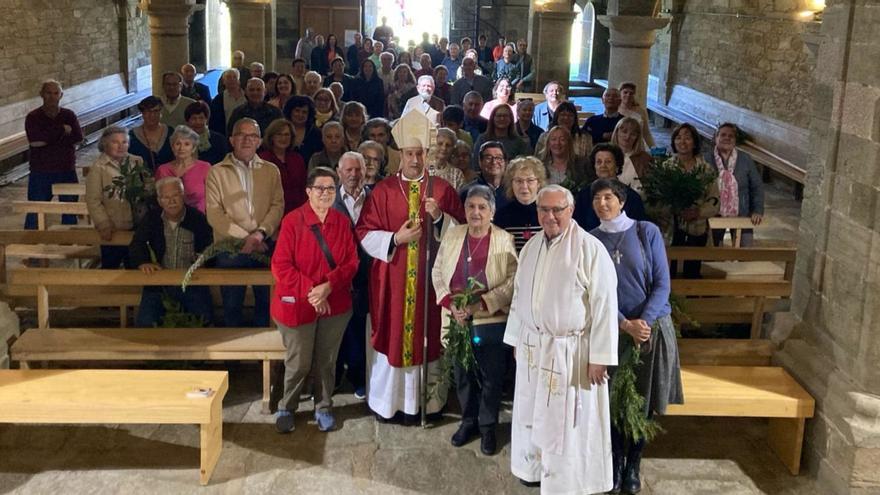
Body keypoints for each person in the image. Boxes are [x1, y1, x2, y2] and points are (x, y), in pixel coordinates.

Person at [503, 184, 618, 493]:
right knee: (531, 407)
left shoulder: (590, 249)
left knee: (568, 420)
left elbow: (605, 306)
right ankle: (534, 467)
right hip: (533, 347)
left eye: (557, 210)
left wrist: (600, 356)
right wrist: (515, 337)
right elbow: (519, 295)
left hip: (572, 351)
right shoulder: (530, 247)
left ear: (571, 211)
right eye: (544, 210)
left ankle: (568, 479)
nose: (550, 216)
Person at [354, 110, 465, 422]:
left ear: (427, 154)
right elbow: (363, 232)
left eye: (420, 153)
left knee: (426, 339)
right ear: (399, 155)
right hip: (392, 280)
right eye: (409, 153)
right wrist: (395, 239)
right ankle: (389, 404)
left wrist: (440, 218)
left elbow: (463, 233)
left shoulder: (441, 190)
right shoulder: (384, 190)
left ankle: (425, 405)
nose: (415, 159)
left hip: (431, 284)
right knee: (393, 335)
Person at [588, 177, 683, 494]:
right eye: (597, 199)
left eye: (609, 197)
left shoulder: (646, 232)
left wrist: (642, 321)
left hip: (650, 329)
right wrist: (623, 323)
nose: (603, 203)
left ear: (622, 200)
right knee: (613, 400)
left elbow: (662, 285)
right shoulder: (591, 240)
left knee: (642, 402)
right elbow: (593, 292)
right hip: (611, 329)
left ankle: (634, 465)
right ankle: (614, 463)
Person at [272, 166, 359, 434]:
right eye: (319, 188)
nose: (325, 193)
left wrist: (328, 287)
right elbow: (281, 266)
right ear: (308, 191)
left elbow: (351, 262)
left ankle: (323, 406)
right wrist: (313, 291)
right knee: (299, 362)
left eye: (330, 188)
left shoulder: (341, 221)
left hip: (334, 303)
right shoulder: (292, 221)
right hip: (297, 303)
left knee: (326, 361)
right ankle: (287, 406)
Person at [432, 185, 518, 456]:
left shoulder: (503, 239)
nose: (476, 212)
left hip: (489, 320)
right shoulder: (453, 235)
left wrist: (482, 303)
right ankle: (468, 422)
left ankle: (488, 426)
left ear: (492, 212)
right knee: (463, 375)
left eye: (482, 207)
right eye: (471, 206)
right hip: (456, 320)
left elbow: (513, 281)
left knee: (490, 377)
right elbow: (437, 271)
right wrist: (450, 302)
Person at [205, 118, 284, 327]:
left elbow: (277, 206)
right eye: (242, 134)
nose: (247, 140)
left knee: (266, 303)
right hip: (230, 248)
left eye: (253, 136)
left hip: (264, 245)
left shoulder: (271, 170)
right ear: (232, 139)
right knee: (231, 304)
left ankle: (262, 356)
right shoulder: (216, 171)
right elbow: (214, 214)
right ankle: (232, 359)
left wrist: (259, 234)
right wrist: (245, 238)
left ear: (259, 141)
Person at [130, 176, 214, 327]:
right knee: (144, 325)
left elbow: (211, 248)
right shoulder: (152, 218)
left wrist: (203, 259)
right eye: (166, 197)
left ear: (183, 196)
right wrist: (143, 262)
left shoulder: (198, 219)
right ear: (159, 200)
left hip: (192, 283)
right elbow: (137, 243)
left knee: (205, 324)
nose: (171, 201)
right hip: (159, 283)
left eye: (175, 195)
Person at [332, 152, 373, 400]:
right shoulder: (329, 199)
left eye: (358, 170)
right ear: (339, 172)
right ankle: (334, 377)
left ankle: (358, 377)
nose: (353, 175)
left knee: (359, 329)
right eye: (348, 170)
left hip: (366, 276)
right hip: (337, 277)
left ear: (365, 171)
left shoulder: (375, 198)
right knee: (334, 333)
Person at [659, 123, 719, 278]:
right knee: (669, 271)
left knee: (692, 271)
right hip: (672, 227)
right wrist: (674, 208)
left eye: (687, 138)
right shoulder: (666, 167)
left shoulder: (705, 169)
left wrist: (698, 212)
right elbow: (659, 198)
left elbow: (714, 199)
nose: (682, 141)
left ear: (695, 143)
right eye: (678, 138)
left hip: (697, 227)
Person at [85, 126, 150, 269]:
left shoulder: (136, 161)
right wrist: (103, 224)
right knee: (111, 264)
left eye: (125, 142)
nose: (121, 146)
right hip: (113, 227)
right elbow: (93, 200)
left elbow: (146, 186)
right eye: (115, 142)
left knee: (134, 264)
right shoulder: (98, 168)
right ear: (105, 144)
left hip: (136, 224)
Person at [24, 79, 83, 229]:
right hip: (41, 172)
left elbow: (77, 138)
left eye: (55, 93)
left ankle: (70, 246)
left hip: (66, 170)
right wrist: (61, 131)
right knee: (35, 212)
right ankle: (32, 246)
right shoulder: (33, 117)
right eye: (48, 93)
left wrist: (47, 138)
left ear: (61, 95)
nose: (52, 96)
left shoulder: (69, 115)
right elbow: (35, 142)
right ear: (41, 94)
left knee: (70, 210)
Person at [706, 123, 765, 247]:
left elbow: (757, 187)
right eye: (723, 135)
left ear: (735, 140)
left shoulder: (745, 159)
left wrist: (757, 211)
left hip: (742, 212)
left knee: (745, 250)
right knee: (713, 254)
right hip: (714, 212)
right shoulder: (706, 159)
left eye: (731, 136)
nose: (727, 138)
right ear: (716, 138)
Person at [574, 143, 646, 231]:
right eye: (599, 162)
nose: (603, 165)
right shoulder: (584, 195)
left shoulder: (632, 197)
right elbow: (577, 227)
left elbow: (639, 230)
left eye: (608, 162)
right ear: (594, 167)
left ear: (617, 166)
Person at [494, 156, 546, 251]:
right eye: (519, 181)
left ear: (538, 183)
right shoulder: (501, 215)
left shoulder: (548, 211)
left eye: (530, 180)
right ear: (511, 184)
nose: (524, 186)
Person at [155, 125, 212, 213]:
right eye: (178, 144)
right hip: (170, 219)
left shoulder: (205, 168)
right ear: (172, 147)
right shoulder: (162, 170)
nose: (182, 148)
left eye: (187, 144)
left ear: (193, 148)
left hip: (199, 219)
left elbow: (213, 198)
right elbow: (158, 200)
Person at [258, 119, 308, 214]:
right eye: (279, 134)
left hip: (298, 212)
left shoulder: (297, 159)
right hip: (271, 212)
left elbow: (304, 187)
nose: (283, 138)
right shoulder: (262, 160)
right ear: (272, 137)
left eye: (286, 135)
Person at [472, 105, 530, 170]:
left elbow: (524, 165)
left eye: (505, 116)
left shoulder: (518, 142)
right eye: (499, 116)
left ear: (511, 119)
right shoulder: (483, 139)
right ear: (493, 118)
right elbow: (476, 163)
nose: (502, 118)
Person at [610, 117, 653, 195]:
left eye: (633, 134)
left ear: (637, 137)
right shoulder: (606, 154)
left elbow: (649, 189)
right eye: (624, 132)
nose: (627, 137)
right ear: (616, 132)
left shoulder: (645, 159)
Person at [129, 96, 173, 172]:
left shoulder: (170, 132)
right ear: (142, 113)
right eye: (148, 111)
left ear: (161, 112)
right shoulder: (132, 136)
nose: (152, 115)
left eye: (156, 111)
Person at [283, 95, 323, 164]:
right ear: (290, 111)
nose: (300, 115)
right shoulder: (280, 129)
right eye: (297, 110)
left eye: (304, 112)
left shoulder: (316, 133)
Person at [209, 69, 247, 136]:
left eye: (234, 77)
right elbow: (214, 123)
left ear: (239, 81)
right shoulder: (218, 100)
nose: (232, 79)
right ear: (224, 81)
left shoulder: (247, 96)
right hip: (226, 136)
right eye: (229, 77)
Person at [618, 82, 656, 149]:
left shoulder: (640, 111)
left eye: (631, 93)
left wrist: (653, 148)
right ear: (620, 93)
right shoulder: (616, 109)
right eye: (625, 92)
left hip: (637, 146)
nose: (628, 95)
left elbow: (646, 133)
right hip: (620, 145)